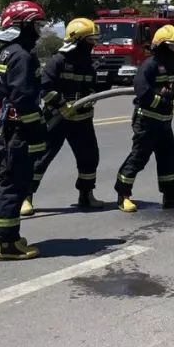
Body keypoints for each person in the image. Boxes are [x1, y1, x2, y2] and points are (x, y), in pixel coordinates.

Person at [0, 0, 48, 260]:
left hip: (2, 130)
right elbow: (23, 98)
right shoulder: (22, 55)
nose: (39, 30)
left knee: (0, 183)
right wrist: (38, 129)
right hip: (18, 131)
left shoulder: (2, 53)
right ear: (22, 25)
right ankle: (8, 244)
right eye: (36, 24)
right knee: (15, 184)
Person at [23, 17, 105, 216]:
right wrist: (60, 104)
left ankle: (86, 194)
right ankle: (26, 197)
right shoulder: (58, 61)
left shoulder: (89, 63)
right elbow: (45, 88)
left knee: (89, 157)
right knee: (41, 158)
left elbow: (92, 87)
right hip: (56, 119)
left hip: (82, 119)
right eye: (90, 40)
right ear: (78, 40)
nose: (93, 44)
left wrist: (91, 95)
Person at [115, 24, 174, 212]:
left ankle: (170, 196)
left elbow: (173, 89)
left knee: (168, 158)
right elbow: (143, 93)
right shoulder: (149, 65)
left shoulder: (172, 66)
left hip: (165, 122)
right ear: (160, 45)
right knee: (138, 158)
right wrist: (165, 102)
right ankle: (123, 195)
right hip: (147, 121)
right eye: (171, 45)